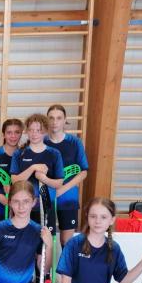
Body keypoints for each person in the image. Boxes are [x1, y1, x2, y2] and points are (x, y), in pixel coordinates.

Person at [44, 104, 89, 246]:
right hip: (47, 198)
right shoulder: (41, 142)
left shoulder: (75, 142)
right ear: (47, 120)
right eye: (51, 118)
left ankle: (66, 262)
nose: (54, 122)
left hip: (68, 197)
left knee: (66, 241)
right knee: (46, 241)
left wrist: (62, 189)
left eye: (59, 118)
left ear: (65, 120)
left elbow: (83, 171)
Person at [10, 113, 64, 229]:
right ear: (27, 131)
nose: (34, 134)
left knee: (45, 238)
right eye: (31, 130)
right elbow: (14, 180)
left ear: (45, 131)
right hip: (22, 207)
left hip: (46, 206)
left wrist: (44, 179)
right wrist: (32, 168)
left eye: (38, 130)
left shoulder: (54, 154)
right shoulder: (19, 153)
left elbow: (59, 183)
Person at [0, 118, 24, 229]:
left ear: (21, 134)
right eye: (9, 132)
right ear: (4, 135)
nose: (13, 136)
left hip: (19, 206)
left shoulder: (24, 156)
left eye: (17, 132)